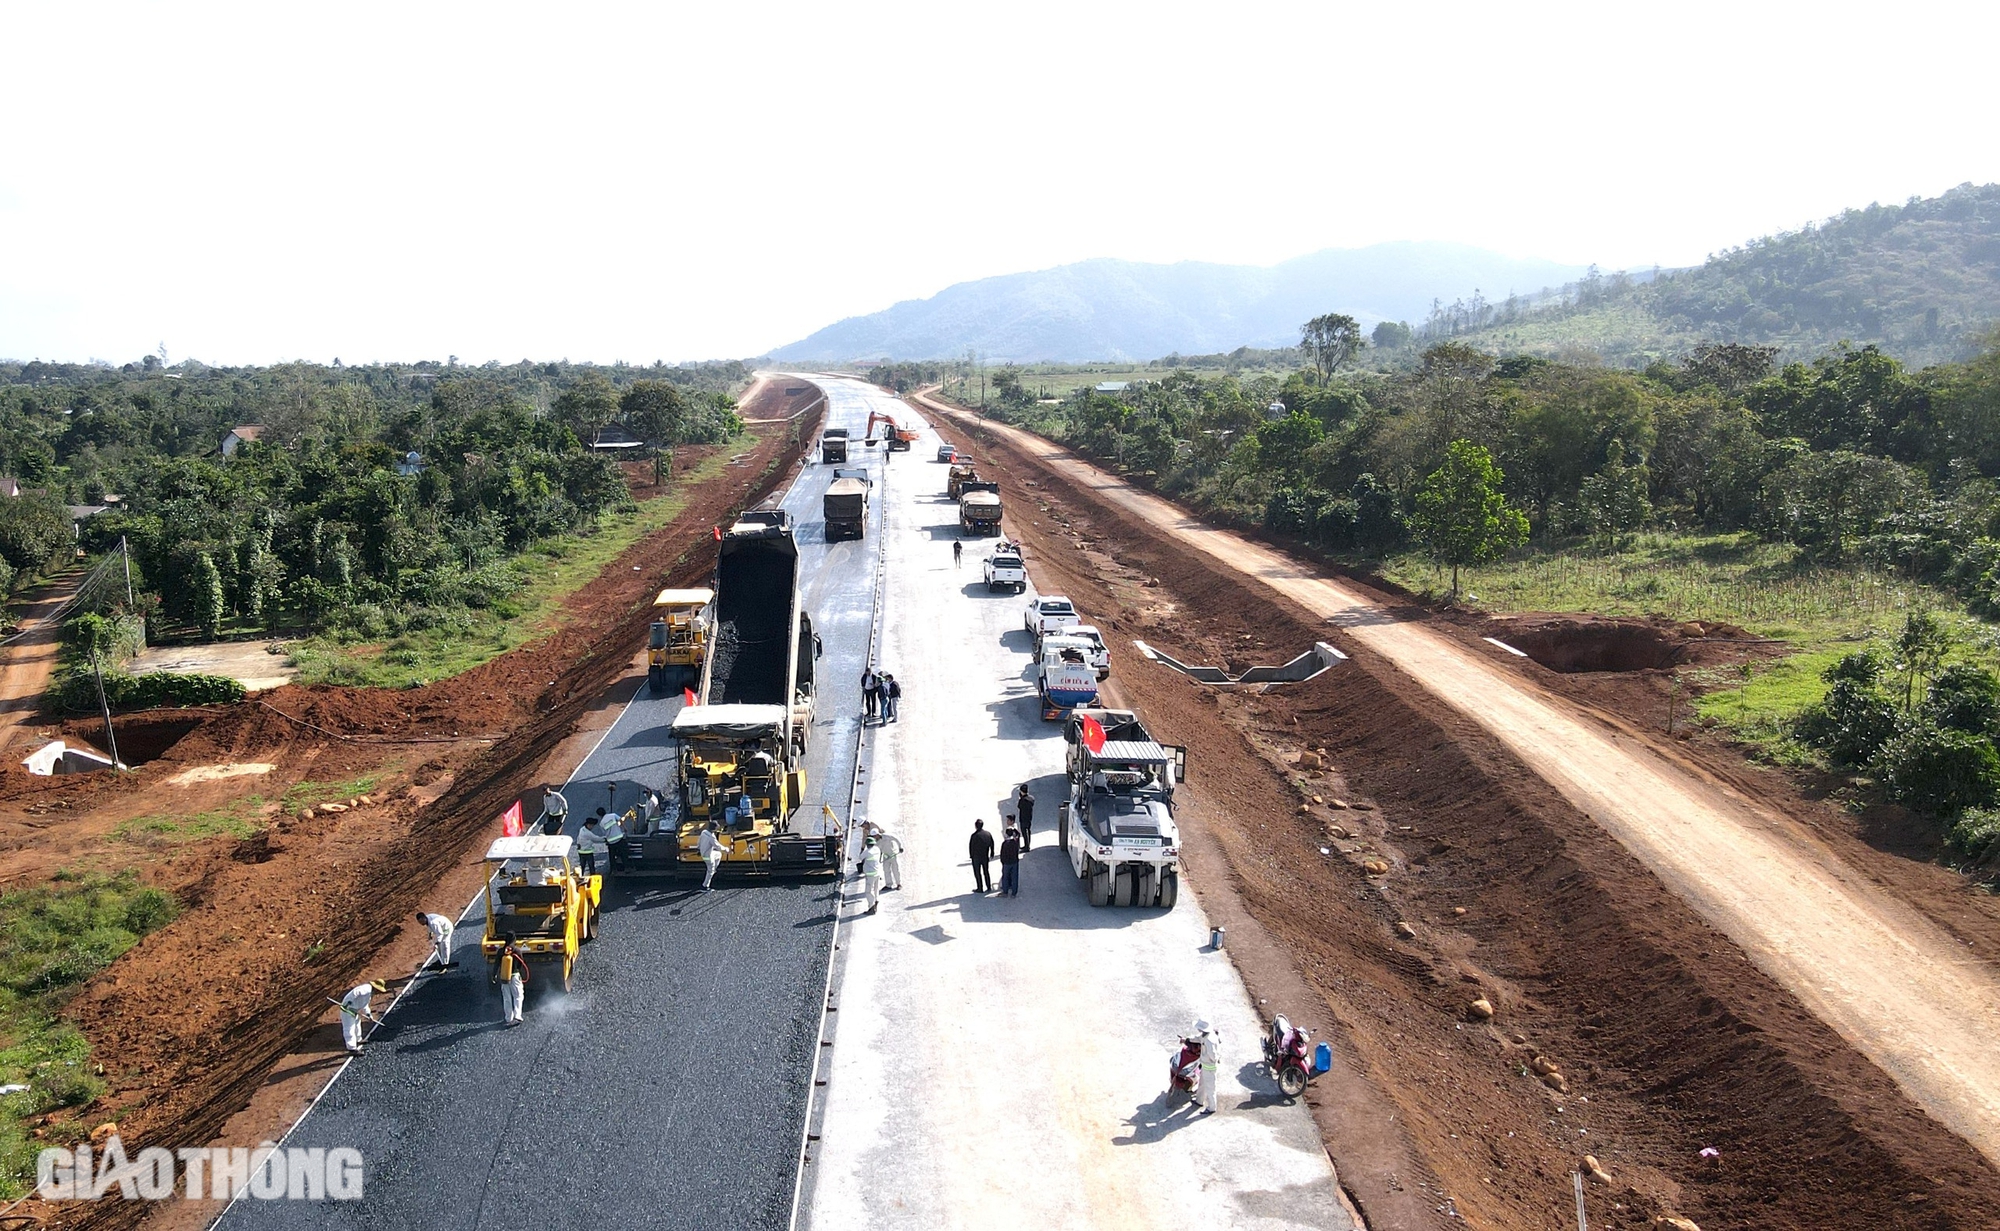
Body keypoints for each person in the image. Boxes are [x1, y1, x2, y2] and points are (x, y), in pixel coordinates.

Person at [338, 980, 387, 1053]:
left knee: (357, 1025)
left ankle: (358, 1040)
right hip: (347, 1010)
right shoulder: (366, 989)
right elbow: (355, 993)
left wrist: (369, 1015)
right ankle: (352, 1049)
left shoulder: (369, 994)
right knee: (349, 1028)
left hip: (354, 1010)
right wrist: (348, 1002)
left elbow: (364, 1005)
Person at [498, 941, 530, 1026]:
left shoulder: (501, 951)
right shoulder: (517, 951)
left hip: (504, 977)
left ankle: (508, 1018)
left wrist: (494, 975)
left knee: (506, 998)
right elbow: (521, 963)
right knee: (518, 996)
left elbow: (497, 964)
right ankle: (517, 1016)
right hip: (515, 976)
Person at [1195, 1019, 1222, 1115]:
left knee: (1210, 1088)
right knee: (1202, 1084)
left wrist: (1212, 1060)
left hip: (1209, 1068)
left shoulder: (1209, 1041)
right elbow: (1197, 1038)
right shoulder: (1206, 1035)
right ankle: (1199, 1100)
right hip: (1205, 1066)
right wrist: (1187, 1039)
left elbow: (1213, 1056)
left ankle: (1211, 1107)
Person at [868, 825, 904, 891]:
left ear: (878, 834)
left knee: (895, 870)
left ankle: (898, 884)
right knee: (886, 870)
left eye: (875, 836)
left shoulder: (887, 836)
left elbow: (896, 839)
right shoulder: (875, 842)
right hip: (885, 856)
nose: (875, 837)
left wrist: (900, 847)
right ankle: (888, 884)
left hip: (893, 855)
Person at [857, 835, 884, 914]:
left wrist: (862, 849)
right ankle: (876, 901)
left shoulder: (867, 852)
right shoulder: (877, 849)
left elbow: (860, 857)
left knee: (868, 891)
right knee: (876, 889)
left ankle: (871, 907)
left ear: (867, 844)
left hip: (870, 874)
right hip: (878, 872)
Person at [698, 821, 726, 891]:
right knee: (710, 870)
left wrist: (698, 848)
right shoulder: (711, 837)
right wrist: (727, 850)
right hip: (707, 856)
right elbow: (718, 846)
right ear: (714, 829)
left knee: (718, 854)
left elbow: (699, 841)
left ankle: (714, 870)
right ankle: (705, 886)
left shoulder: (703, 832)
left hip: (704, 853)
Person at [968, 819, 994, 893]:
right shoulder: (987, 834)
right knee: (986, 871)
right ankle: (988, 886)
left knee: (977, 872)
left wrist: (971, 855)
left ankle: (980, 887)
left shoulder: (974, 836)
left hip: (976, 857)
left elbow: (971, 846)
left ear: (976, 826)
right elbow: (992, 843)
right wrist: (992, 852)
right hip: (985, 856)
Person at [998, 825, 1022, 897]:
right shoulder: (1015, 842)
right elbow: (1018, 834)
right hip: (1014, 862)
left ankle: (1005, 892)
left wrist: (1003, 862)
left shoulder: (1005, 843)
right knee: (1014, 877)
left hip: (1007, 863)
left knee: (1005, 877)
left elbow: (1002, 854)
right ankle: (1014, 893)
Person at [1015, 784, 1036, 851]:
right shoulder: (1031, 798)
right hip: (1029, 817)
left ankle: (1027, 846)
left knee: (1024, 832)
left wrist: (1021, 798)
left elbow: (1019, 806)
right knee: (1028, 831)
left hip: (1023, 818)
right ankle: (1027, 844)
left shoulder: (1023, 800)